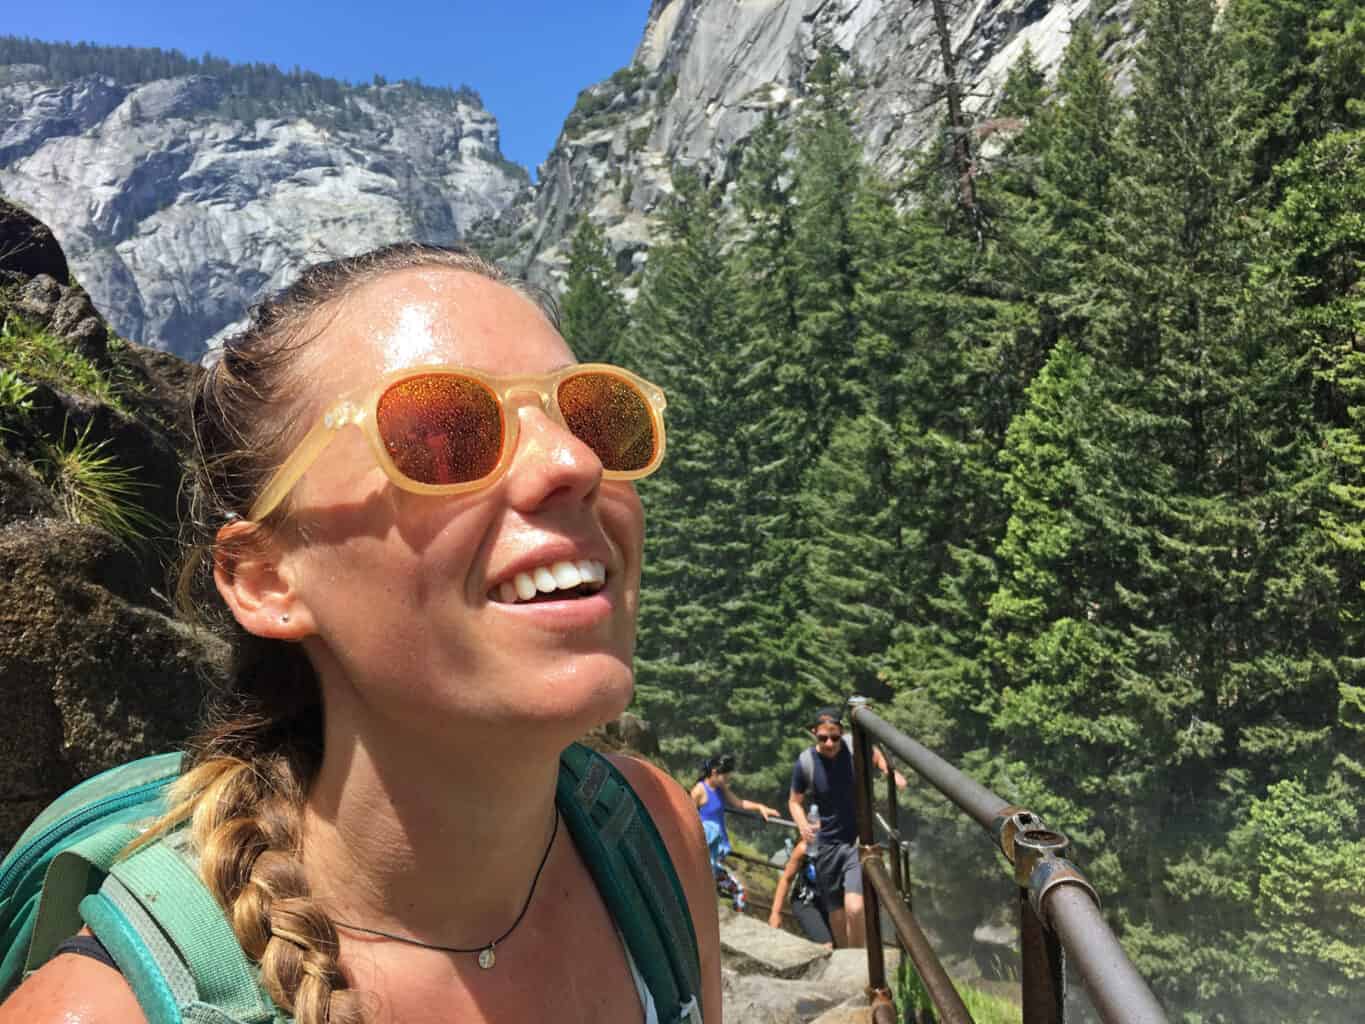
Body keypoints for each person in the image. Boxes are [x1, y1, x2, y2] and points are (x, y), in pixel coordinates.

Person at [0, 244, 720, 1023]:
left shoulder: (653, 837)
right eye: (443, 434)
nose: (574, 461)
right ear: (266, 579)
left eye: (594, 415)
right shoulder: (99, 1013)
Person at [787, 705, 905, 949]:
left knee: (855, 907)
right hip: (826, 845)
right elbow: (794, 802)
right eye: (823, 738)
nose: (829, 743)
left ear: (841, 733)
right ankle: (844, 957)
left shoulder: (852, 748)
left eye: (834, 737)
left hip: (855, 840)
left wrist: (888, 772)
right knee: (837, 913)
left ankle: (861, 963)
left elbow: (873, 753)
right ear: (814, 734)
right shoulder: (806, 762)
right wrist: (802, 825)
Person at [691, 754, 779, 913]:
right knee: (730, 891)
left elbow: (738, 803)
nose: (727, 780)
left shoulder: (720, 787)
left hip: (717, 853)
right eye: (725, 776)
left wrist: (760, 807)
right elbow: (688, 817)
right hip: (705, 854)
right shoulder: (699, 791)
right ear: (714, 772)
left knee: (734, 892)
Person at [766, 838, 833, 948]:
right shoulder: (804, 848)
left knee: (843, 946)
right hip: (806, 901)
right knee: (827, 945)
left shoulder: (843, 849)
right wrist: (775, 913)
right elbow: (786, 879)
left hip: (831, 904)